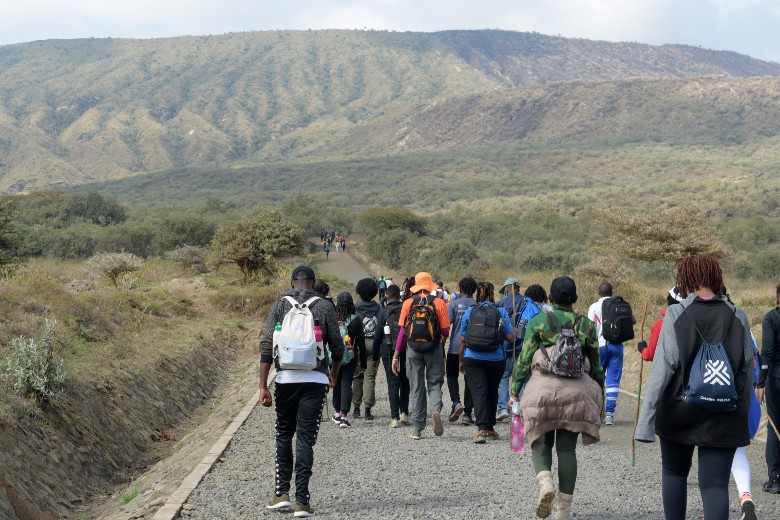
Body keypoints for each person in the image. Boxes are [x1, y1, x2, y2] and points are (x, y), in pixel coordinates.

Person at [635, 255, 754, 520]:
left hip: (679, 412)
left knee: (674, 474)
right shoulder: (738, 316)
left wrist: (645, 423)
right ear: (716, 278)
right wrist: (742, 415)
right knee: (715, 485)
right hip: (724, 415)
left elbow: (662, 371)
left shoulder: (676, 314)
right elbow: (746, 371)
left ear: (686, 279)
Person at [510, 276, 603, 519]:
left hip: (542, 392)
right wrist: (600, 395)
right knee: (567, 449)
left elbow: (525, 359)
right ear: (575, 298)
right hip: (577, 394)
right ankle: (564, 510)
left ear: (550, 298)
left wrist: (515, 389)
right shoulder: (585, 325)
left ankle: (545, 484)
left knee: (539, 440)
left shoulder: (539, 322)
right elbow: (596, 366)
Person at [259, 265, 344, 517]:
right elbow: (338, 347)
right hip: (315, 381)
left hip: (285, 380)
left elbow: (266, 345)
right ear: (313, 283)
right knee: (306, 439)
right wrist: (333, 374)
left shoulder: (279, 305)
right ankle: (302, 501)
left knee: (284, 434)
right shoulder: (325, 306)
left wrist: (263, 386)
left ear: (292, 283)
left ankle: (281, 494)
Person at [392, 272, 451, 440]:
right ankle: (435, 410)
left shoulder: (408, 303)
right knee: (434, 383)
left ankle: (417, 429)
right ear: (430, 286)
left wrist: (395, 356)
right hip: (434, 348)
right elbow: (445, 331)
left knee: (416, 387)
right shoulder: (439, 303)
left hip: (413, 350)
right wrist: (439, 339)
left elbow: (402, 333)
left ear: (416, 286)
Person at [459, 282, 515, 443]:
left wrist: (461, 361)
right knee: (492, 391)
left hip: (472, 358)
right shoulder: (501, 311)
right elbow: (510, 337)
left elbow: (462, 339)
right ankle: (489, 427)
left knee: (479, 392)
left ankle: (483, 428)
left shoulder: (470, 311)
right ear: (492, 293)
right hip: (496, 359)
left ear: (478, 294)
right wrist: (515, 331)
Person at [587, 282, 633, 426]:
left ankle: (596, 412)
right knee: (613, 381)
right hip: (617, 347)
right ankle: (609, 415)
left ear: (598, 293)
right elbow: (632, 321)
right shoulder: (618, 305)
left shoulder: (594, 307)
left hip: (599, 347)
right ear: (612, 293)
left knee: (596, 379)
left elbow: (590, 328)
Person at [496, 278, 540, 421]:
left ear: (507, 289)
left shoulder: (501, 304)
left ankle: (503, 408)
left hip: (505, 346)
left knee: (504, 376)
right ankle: (518, 408)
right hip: (524, 347)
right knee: (520, 377)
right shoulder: (529, 303)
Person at [374, 284, 410, 427]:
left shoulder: (383, 311)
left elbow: (378, 336)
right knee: (405, 380)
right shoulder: (405, 309)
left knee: (393, 382)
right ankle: (404, 413)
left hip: (388, 348)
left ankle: (394, 418)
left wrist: (375, 357)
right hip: (405, 348)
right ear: (399, 295)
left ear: (387, 296)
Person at [330, 292, 367, 429]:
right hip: (350, 355)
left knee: (336, 380)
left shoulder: (332, 318)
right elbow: (361, 343)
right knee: (346, 382)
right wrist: (363, 363)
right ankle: (344, 416)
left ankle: (337, 412)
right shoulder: (356, 320)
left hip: (334, 355)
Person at [446, 276, 477, 425]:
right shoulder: (478, 305)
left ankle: (456, 402)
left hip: (454, 347)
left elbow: (446, 326)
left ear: (460, 289)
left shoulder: (453, 304)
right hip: (473, 348)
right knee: (470, 378)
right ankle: (468, 414)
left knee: (452, 374)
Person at [759, 282, 780, 494]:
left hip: (776, 379)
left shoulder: (771, 318)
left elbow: (767, 353)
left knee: (774, 427)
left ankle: (775, 478)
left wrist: (760, 383)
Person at [352, 278, 381, 420]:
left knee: (357, 376)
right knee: (370, 377)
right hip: (374, 344)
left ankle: (356, 408)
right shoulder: (378, 308)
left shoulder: (355, 308)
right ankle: (368, 410)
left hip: (359, 345)